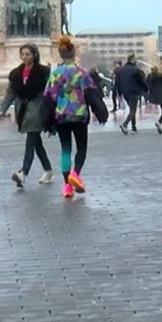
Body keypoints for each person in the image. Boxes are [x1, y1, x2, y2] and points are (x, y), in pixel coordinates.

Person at [44, 35, 106, 199]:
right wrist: (100, 112)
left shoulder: (55, 74)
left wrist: (48, 117)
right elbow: (92, 94)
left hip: (61, 115)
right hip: (79, 115)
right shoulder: (82, 73)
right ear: (74, 53)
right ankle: (75, 174)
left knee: (65, 149)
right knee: (81, 148)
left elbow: (49, 96)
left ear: (61, 54)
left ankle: (66, 186)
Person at [0, 43, 55, 189]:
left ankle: (23, 173)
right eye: (22, 54)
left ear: (34, 55)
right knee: (36, 141)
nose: (25, 57)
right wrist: (2, 110)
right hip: (23, 109)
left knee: (31, 139)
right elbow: (10, 93)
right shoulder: (16, 73)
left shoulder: (43, 72)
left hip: (38, 107)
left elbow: (52, 90)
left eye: (28, 54)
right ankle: (48, 170)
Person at [115, 53, 148, 134]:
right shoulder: (135, 70)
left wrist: (119, 93)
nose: (136, 60)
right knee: (133, 110)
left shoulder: (121, 70)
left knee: (131, 109)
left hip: (125, 92)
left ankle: (134, 126)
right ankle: (125, 124)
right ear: (132, 60)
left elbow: (117, 82)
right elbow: (140, 81)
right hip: (134, 91)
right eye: (135, 59)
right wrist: (146, 89)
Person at [147, 57, 162, 134]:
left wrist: (150, 92)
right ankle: (159, 122)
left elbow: (150, 83)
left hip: (158, 94)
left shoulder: (154, 72)